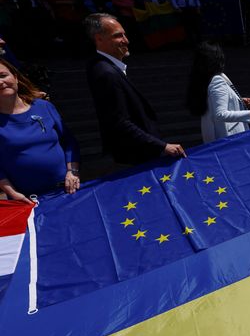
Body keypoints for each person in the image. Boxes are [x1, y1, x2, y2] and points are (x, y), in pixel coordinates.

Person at [84, 13, 186, 166]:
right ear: (99, 39)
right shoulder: (106, 73)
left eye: (125, 34)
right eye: (118, 36)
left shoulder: (108, 68)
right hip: (136, 158)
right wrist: (162, 146)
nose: (126, 40)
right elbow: (119, 122)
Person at [0, 58, 80, 201]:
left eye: (3, 75)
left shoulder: (44, 106)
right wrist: (12, 193)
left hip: (67, 189)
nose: (0, 82)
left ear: (16, 77)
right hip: (26, 198)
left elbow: (69, 142)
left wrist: (72, 172)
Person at [186, 42, 250, 143]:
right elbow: (220, 114)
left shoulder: (205, 79)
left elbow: (214, 102)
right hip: (229, 138)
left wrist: (238, 101)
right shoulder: (217, 80)